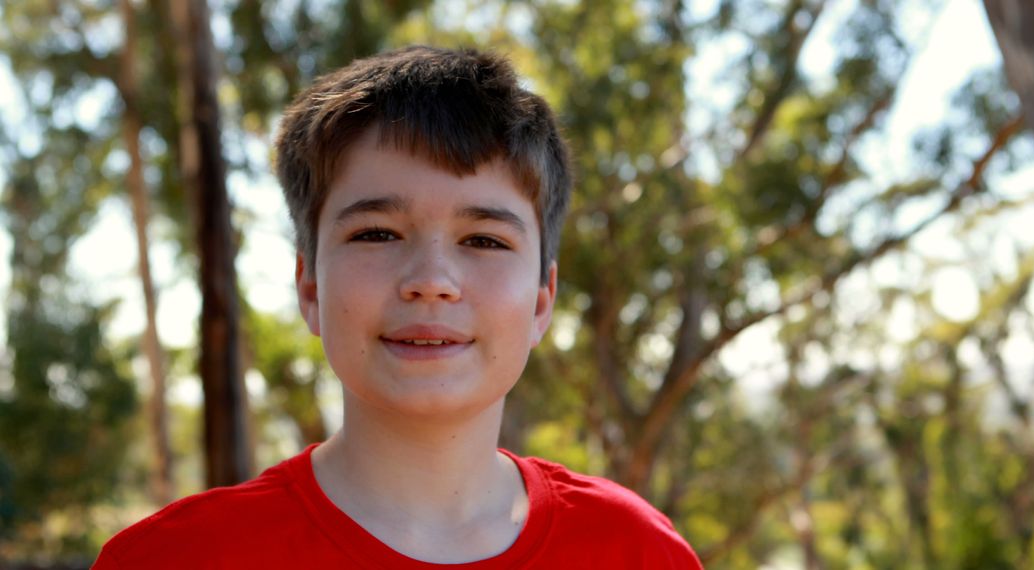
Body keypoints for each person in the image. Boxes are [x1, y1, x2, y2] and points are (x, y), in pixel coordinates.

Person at [94, 45, 703, 569]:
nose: (431, 281)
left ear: (543, 298)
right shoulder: (173, 557)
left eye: (484, 240)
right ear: (309, 288)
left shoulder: (638, 551)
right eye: (377, 233)